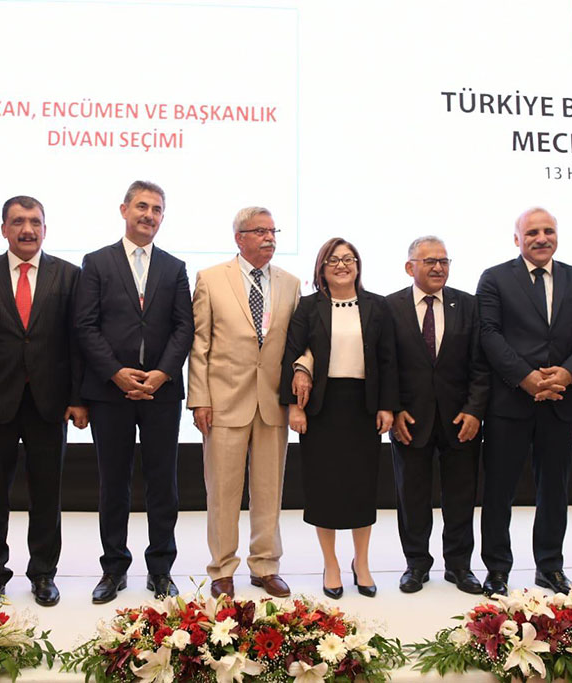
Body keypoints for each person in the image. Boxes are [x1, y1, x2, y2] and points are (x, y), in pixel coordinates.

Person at [0, 196, 87, 607]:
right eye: (17, 222)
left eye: (34, 222)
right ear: (4, 229)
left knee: (47, 495)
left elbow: (78, 342)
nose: (27, 229)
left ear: (45, 229)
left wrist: (78, 398)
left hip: (49, 402)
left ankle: (43, 573)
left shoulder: (70, 276)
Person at [75, 181, 193, 603]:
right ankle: (114, 569)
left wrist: (162, 373)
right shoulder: (96, 262)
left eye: (157, 209)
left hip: (161, 392)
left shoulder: (174, 267)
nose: (149, 215)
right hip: (111, 393)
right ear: (124, 209)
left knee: (163, 484)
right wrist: (115, 373)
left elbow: (184, 327)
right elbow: (85, 325)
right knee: (114, 484)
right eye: (142, 206)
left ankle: (160, 570)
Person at [476, 207, 572, 597]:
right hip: (510, 402)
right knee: (499, 491)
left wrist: (567, 373)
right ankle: (497, 569)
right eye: (532, 232)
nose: (541, 238)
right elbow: (489, 334)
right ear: (517, 239)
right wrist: (526, 378)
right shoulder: (495, 278)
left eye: (548, 230)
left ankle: (549, 567)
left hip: (561, 400)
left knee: (554, 491)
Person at [187, 206, 309, 600]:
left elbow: (300, 342)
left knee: (269, 490)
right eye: (260, 231)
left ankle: (265, 565)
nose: (269, 238)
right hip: (223, 402)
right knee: (222, 492)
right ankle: (222, 569)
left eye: (273, 231)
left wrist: (303, 372)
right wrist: (199, 399)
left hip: (273, 402)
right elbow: (200, 344)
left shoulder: (291, 283)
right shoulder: (210, 279)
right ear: (239, 238)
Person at [280, 238, 398, 599]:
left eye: (348, 259)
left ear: (358, 266)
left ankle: (361, 562)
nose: (342, 265)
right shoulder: (308, 306)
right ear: (322, 268)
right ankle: (330, 564)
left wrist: (387, 406)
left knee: (362, 489)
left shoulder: (377, 306)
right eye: (333, 260)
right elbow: (291, 354)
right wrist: (294, 406)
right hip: (321, 408)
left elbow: (388, 360)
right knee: (324, 490)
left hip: (363, 407)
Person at [386, 236, 489, 595]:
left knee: (461, 496)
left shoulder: (469, 305)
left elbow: (481, 364)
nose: (438, 268)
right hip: (409, 419)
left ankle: (459, 566)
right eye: (429, 261)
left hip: (460, 420)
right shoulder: (390, 307)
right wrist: (394, 410)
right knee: (411, 496)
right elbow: (385, 365)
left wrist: (475, 410)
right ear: (409, 267)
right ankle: (416, 564)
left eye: (443, 261)